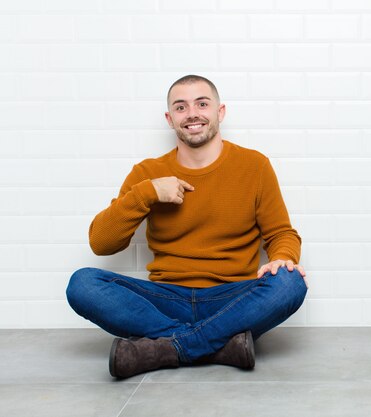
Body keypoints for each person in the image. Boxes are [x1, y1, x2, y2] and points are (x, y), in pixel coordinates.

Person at [66, 74, 308, 379]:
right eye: (181, 107)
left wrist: (282, 256)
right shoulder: (148, 173)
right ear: (170, 119)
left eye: (202, 104)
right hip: (166, 300)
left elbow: (281, 233)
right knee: (82, 283)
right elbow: (101, 243)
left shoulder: (254, 165)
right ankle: (218, 345)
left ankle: (170, 347)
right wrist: (148, 192)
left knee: (290, 282)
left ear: (220, 112)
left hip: (231, 299)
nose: (192, 113)